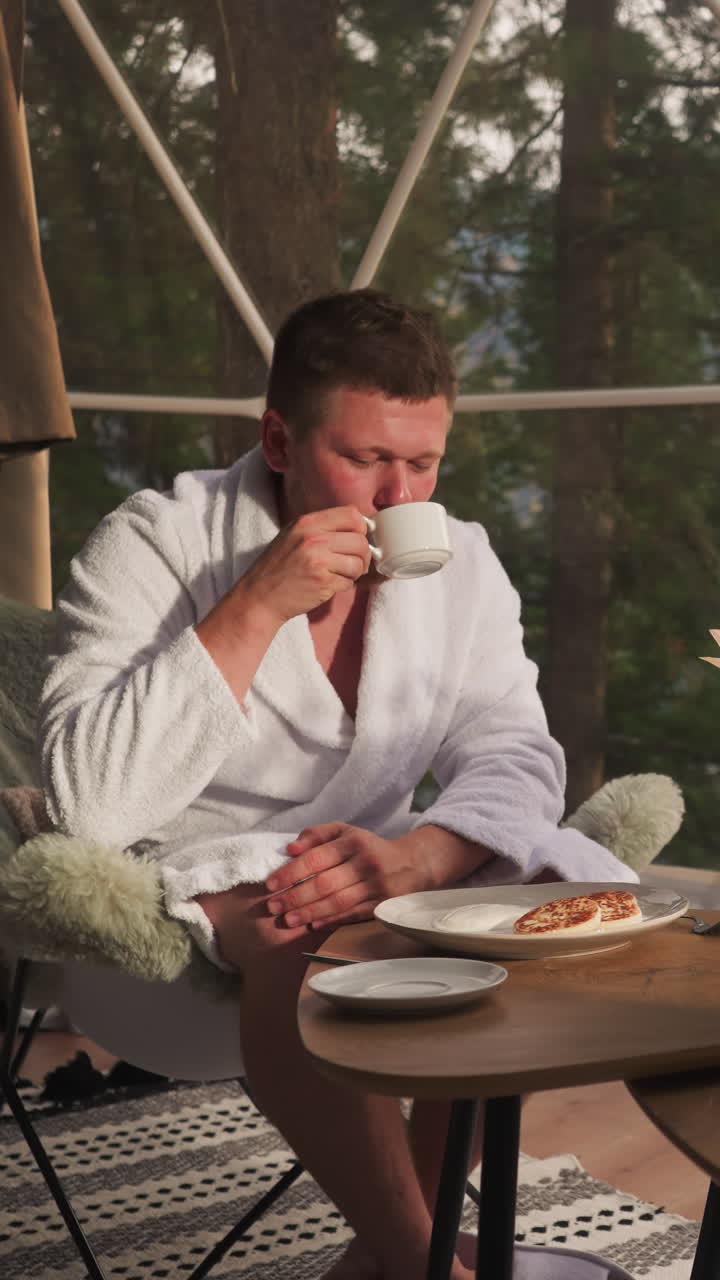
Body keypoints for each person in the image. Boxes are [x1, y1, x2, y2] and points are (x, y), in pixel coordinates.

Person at [39, 288, 637, 1280]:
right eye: (364, 460)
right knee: (303, 920)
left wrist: (422, 854)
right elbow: (84, 802)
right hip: (177, 893)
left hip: (386, 871)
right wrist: (255, 603)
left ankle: (392, 1249)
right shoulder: (154, 543)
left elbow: (519, 754)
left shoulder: (465, 567)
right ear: (278, 437)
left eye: (423, 463)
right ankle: (423, 1266)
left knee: (546, 910)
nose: (400, 499)